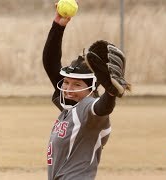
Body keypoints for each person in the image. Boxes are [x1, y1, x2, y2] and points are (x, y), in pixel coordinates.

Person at [42, 5, 130, 180]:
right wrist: (58, 26)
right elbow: (51, 64)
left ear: (91, 88)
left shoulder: (87, 109)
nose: (68, 89)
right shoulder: (70, 108)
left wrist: (111, 92)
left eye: (76, 84)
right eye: (66, 82)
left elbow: (103, 108)